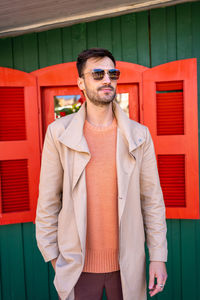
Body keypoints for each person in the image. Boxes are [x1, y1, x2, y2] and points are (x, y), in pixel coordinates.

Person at [36, 48, 167, 300]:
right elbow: (48, 201)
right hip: (77, 268)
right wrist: (54, 258)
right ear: (81, 83)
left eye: (112, 73)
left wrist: (158, 257)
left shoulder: (140, 135)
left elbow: (152, 200)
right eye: (97, 74)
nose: (107, 79)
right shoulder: (59, 133)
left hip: (128, 267)